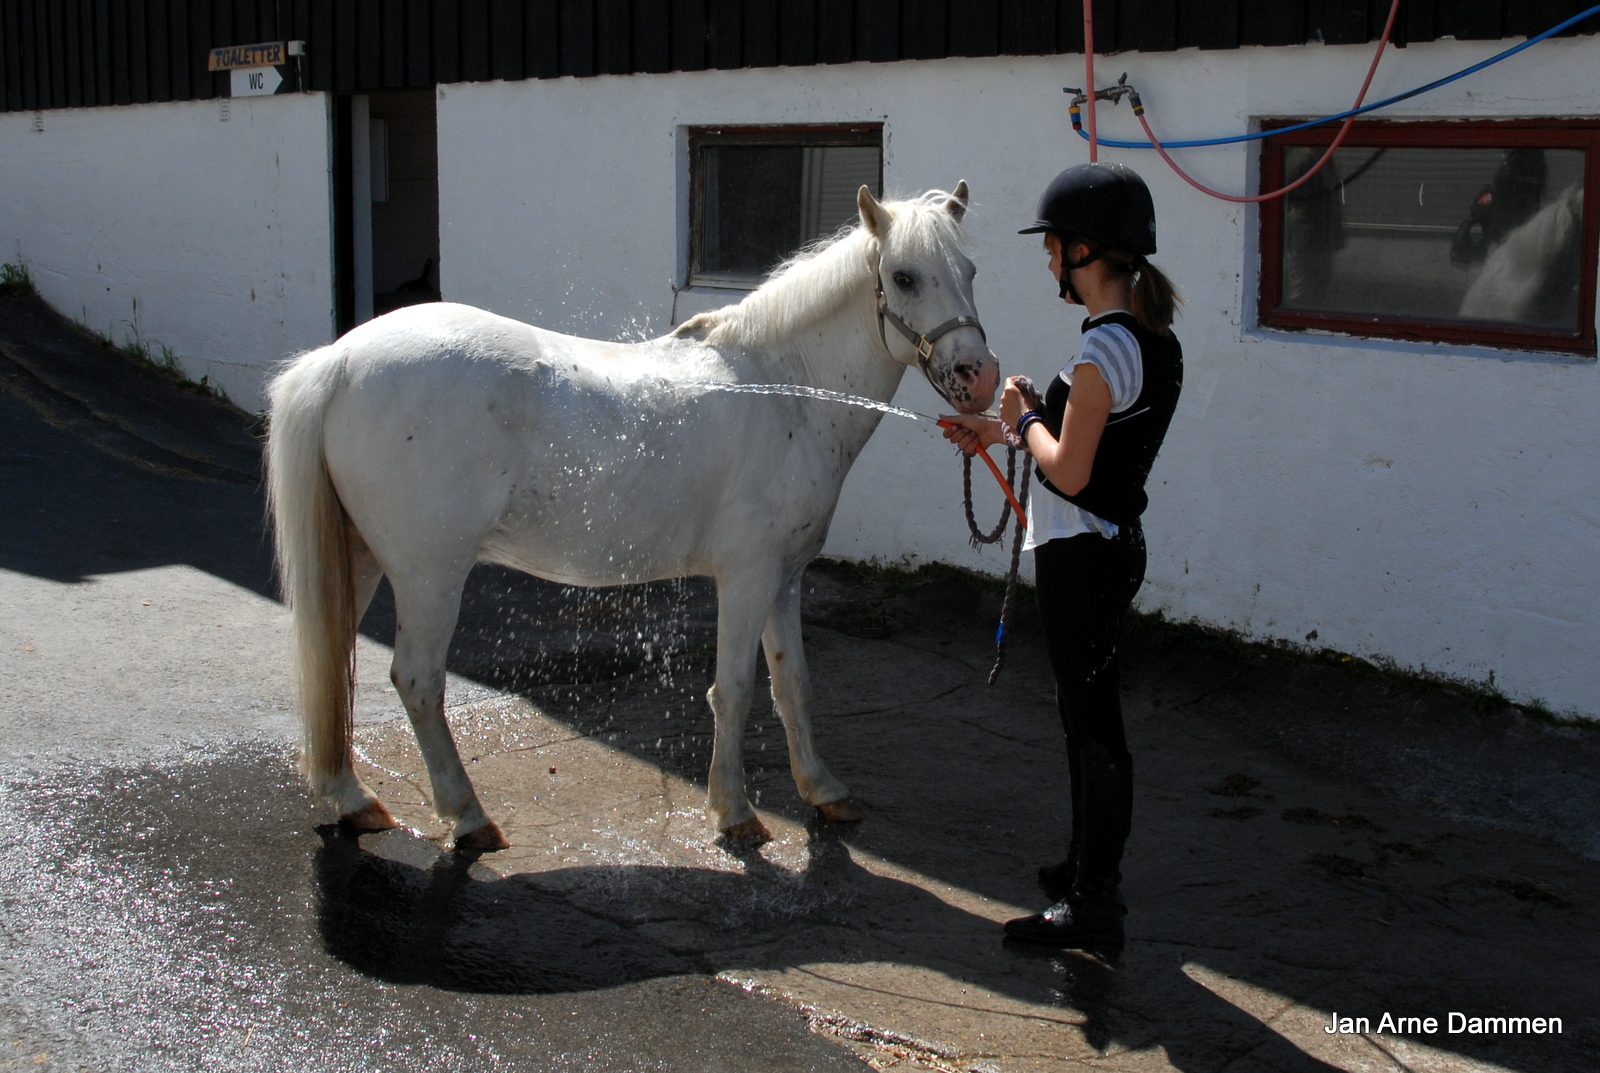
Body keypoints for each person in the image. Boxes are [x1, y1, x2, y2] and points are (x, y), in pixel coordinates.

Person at [942, 162, 1183, 947]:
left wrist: (1017, 417)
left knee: (1091, 722)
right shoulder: (1144, 337)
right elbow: (1078, 445)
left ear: (1087, 250)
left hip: (1084, 555)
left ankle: (1096, 901)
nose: (1049, 261)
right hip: (1103, 548)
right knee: (1084, 715)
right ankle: (1086, 865)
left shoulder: (1100, 352)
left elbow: (1069, 469)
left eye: (1054, 248)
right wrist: (999, 429)